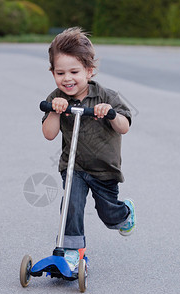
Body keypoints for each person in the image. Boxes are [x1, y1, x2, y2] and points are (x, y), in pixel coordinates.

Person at [42, 27, 136, 271]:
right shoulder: (56, 98)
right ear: (52, 72)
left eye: (74, 71)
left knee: (109, 215)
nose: (67, 78)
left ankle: (124, 213)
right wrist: (54, 109)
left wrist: (111, 113)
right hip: (74, 167)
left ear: (89, 71)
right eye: (60, 72)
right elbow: (49, 134)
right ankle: (72, 251)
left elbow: (124, 127)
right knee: (71, 205)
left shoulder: (106, 95)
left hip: (105, 169)